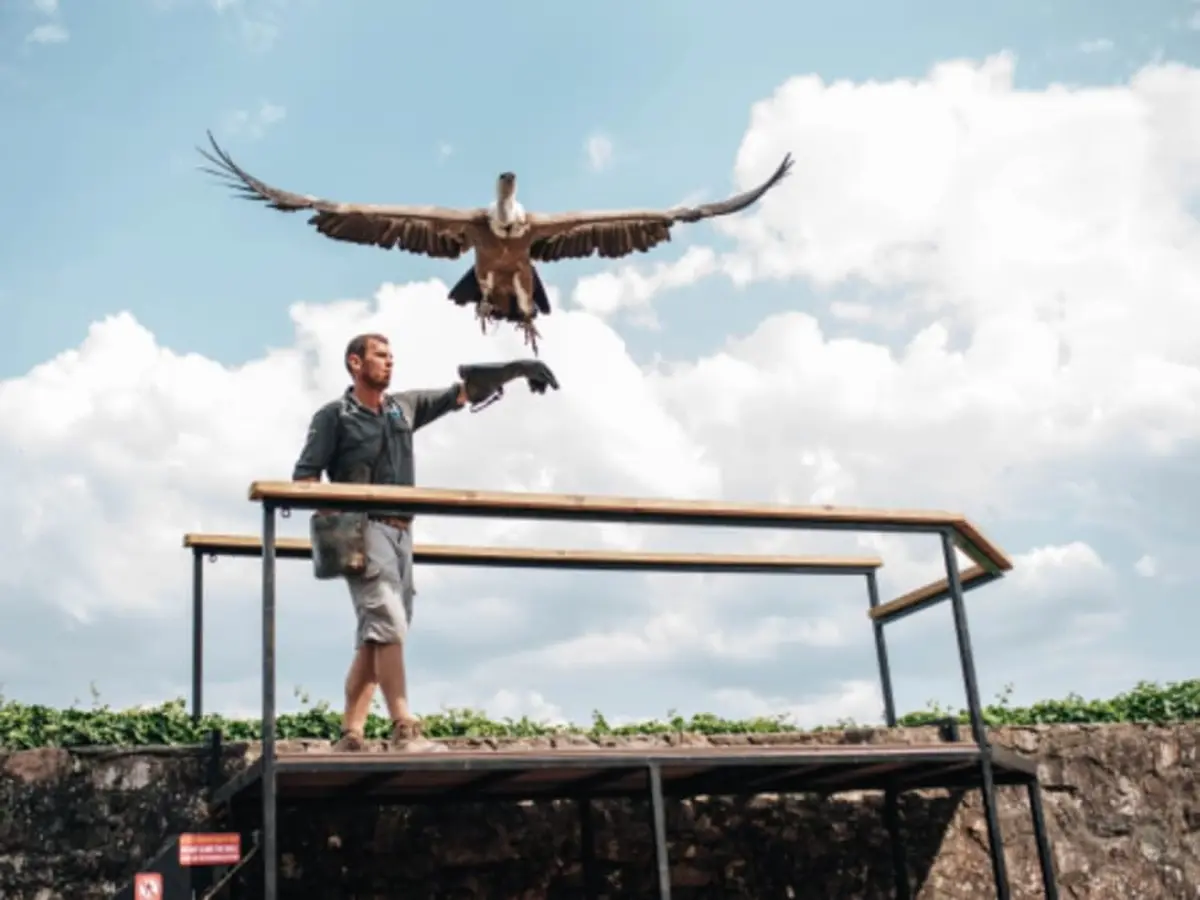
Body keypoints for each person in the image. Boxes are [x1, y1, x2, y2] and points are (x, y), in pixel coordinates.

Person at [291, 332, 558, 752]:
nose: (389, 361)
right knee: (389, 624)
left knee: (378, 635)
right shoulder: (334, 416)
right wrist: (341, 520)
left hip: (402, 530)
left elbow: (461, 393)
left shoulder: (403, 408)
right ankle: (404, 728)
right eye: (379, 355)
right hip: (362, 528)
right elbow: (305, 479)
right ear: (355, 363)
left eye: (391, 355)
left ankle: (351, 734)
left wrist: (516, 370)